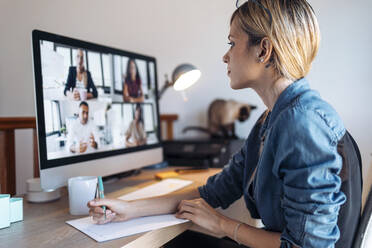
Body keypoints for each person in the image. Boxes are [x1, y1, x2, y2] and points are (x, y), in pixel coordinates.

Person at [87, 1, 362, 247]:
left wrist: (224, 226)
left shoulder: (301, 122)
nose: (225, 55)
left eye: (232, 43)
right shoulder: (271, 119)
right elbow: (213, 192)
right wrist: (129, 208)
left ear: (263, 50)